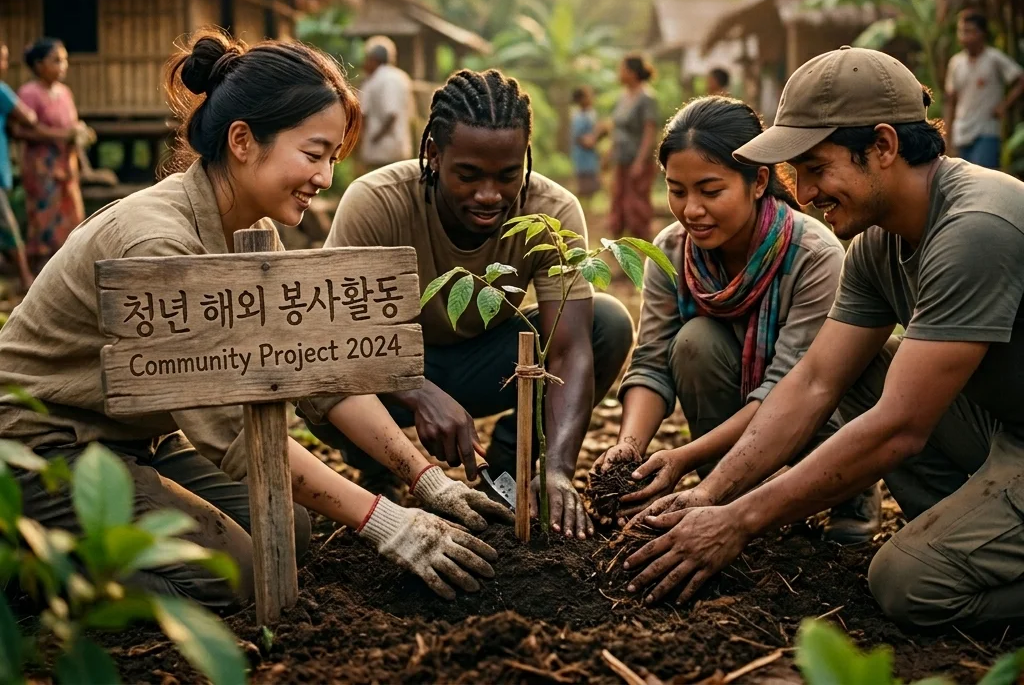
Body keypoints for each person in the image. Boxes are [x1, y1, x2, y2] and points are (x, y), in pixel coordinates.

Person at [0, 32, 508, 610]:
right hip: (42, 442)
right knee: (235, 575)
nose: (324, 178)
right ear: (243, 140)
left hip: (133, 434)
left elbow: (315, 371)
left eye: (333, 159)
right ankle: (30, 569)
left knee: (286, 528)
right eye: (313, 154)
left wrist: (425, 479)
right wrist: (387, 521)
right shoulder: (157, 244)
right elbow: (232, 433)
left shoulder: (253, 233)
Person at [624, 46, 1024, 633]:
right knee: (868, 367)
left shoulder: (974, 228)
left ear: (883, 147)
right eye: (796, 174)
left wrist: (740, 521)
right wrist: (708, 494)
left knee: (905, 583)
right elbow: (812, 382)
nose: (804, 193)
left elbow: (900, 427)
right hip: (1000, 426)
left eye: (816, 168)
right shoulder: (875, 246)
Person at [313, 68, 636, 539]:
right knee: (318, 377)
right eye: (468, 175)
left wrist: (558, 467)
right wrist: (418, 390)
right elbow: (333, 335)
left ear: (525, 156)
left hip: (490, 363)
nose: (489, 195)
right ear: (433, 154)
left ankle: (510, 460)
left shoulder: (552, 211)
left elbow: (568, 349)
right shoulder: (376, 202)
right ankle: (376, 462)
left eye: (508, 176)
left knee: (607, 323)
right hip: (393, 366)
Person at [593, 96, 878, 543]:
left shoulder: (813, 255)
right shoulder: (670, 251)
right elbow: (650, 365)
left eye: (710, 191)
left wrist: (682, 458)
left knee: (826, 396)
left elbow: (790, 390)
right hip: (743, 414)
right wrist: (628, 448)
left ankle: (849, 492)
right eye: (677, 190)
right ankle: (726, 487)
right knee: (694, 343)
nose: (691, 210)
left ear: (759, 181)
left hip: (808, 413)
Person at [13, 39, 88, 267]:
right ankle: (41, 273)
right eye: (56, 60)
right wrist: (60, 136)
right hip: (41, 167)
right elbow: (19, 130)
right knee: (45, 219)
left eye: (64, 60)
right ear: (38, 65)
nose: (63, 65)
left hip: (67, 165)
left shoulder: (65, 92)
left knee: (71, 217)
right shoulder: (29, 93)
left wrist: (79, 146)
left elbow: (72, 128)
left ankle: (68, 270)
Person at [944, 10, 1024, 169]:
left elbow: (1020, 80)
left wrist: (1004, 105)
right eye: (962, 31)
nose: (965, 36)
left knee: (983, 178)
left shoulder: (994, 59)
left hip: (986, 131)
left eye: (970, 31)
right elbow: (951, 100)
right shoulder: (956, 63)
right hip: (962, 132)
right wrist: (948, 134)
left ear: (982, 34)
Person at [0, 42, 39, 291]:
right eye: (2, 59)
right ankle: (26, 278)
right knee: (7, 224)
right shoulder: (2, 90)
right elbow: (29, 117)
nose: (5, 65)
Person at [609, 53, 660, 239]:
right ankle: (618, 239)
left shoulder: (647, 98)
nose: (619, 73)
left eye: (622, 69)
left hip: (637, 158)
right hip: (621, 157)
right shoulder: (623, 96)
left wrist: (640, 160)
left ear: (632, 72)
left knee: (636, 201)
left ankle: (642, 240)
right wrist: (609, 154)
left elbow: (649, 132)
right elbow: (616, 128)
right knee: (618, 197)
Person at [358, 35, 413, 170]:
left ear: (373, 59)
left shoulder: (377, 80)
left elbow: (391, 113)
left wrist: (375, 138)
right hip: (399, 148)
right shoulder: (401, 77)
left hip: (380, 151)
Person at [570, 85, 603, 205]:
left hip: (591, 154)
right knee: (584, 181)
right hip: (582, 154)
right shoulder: (578, 116)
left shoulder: (591, 113)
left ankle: (589, 205)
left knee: (592, 181)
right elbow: (579, 138)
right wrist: (593, 138)